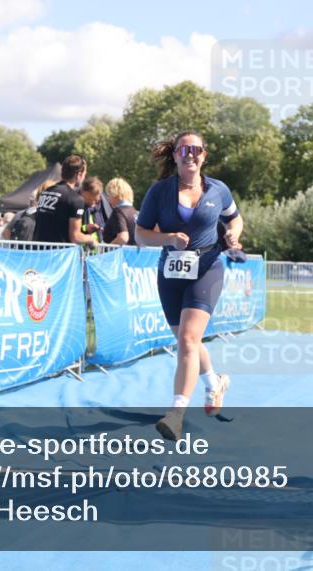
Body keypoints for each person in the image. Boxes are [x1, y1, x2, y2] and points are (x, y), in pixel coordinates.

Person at [134, 131, 243, 441]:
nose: (190, 154)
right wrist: (167, 238)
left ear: (203, 155)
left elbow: (235, 219)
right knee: (188, 342)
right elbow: (141, 234)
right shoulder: (159, 192)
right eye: (184, 149)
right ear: (176, 156)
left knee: (187, 338)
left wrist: (233, 235)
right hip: (170, 271)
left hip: (207, 267)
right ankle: (214, 383)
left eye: (196, 149)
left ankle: (176, 413)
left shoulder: (218, 190)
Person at [32, 155, 95, 246]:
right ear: (79, 174)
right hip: (59, 255)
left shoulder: (46, 192)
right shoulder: (75, 199)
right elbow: (76, 237)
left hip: (39, 253)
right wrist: (91, 239)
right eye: (85, 174)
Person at [102, 177, 138, 245]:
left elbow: (123, 238)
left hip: (120, 254)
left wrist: (107, 249)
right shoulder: (134, 212)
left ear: (114, 194)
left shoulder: (118, 212)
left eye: (108, 195)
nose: (107, 199)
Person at [79, 176, 104, 245]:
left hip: (96, 249)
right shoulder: (76, 205)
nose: (97, 200)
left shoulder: (97, 206)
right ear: (86, 194)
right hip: (82, 249)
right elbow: (74, 231)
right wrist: (86, 228)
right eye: (95, 198)